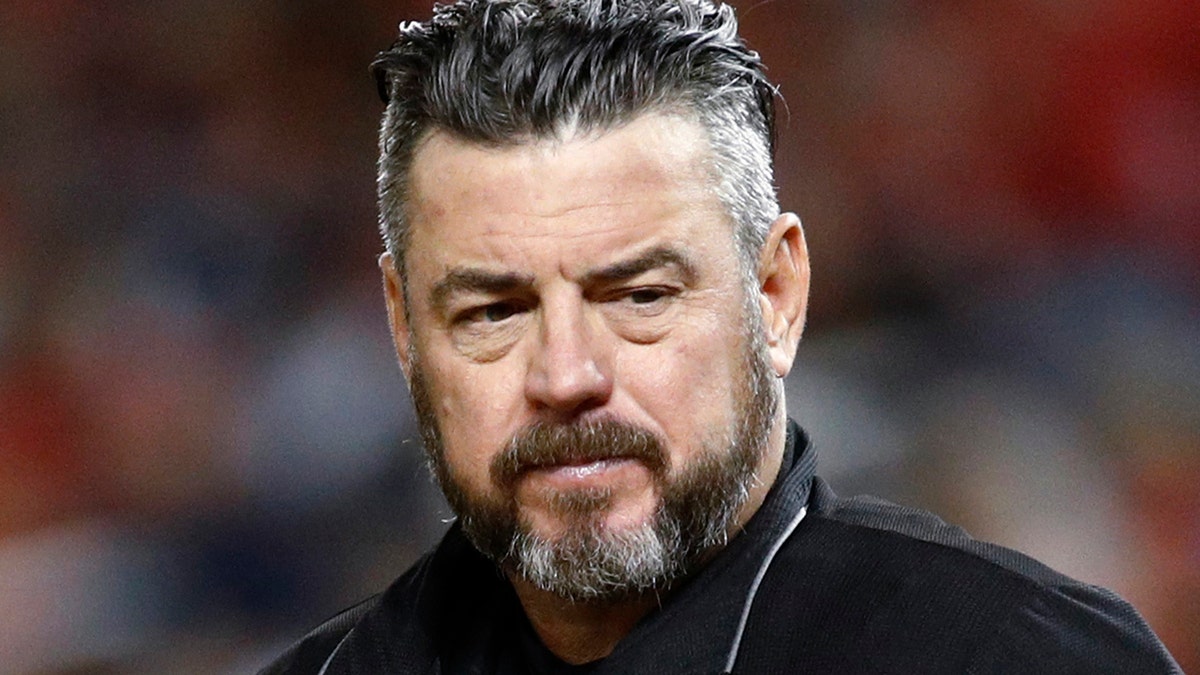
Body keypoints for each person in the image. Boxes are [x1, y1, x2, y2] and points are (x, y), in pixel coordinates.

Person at [259, 0, 1181, 672]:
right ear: (403, 326)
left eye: (639, 295)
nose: (567, 374)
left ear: (775, 294)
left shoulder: (1016, 657)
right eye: (494, 311)